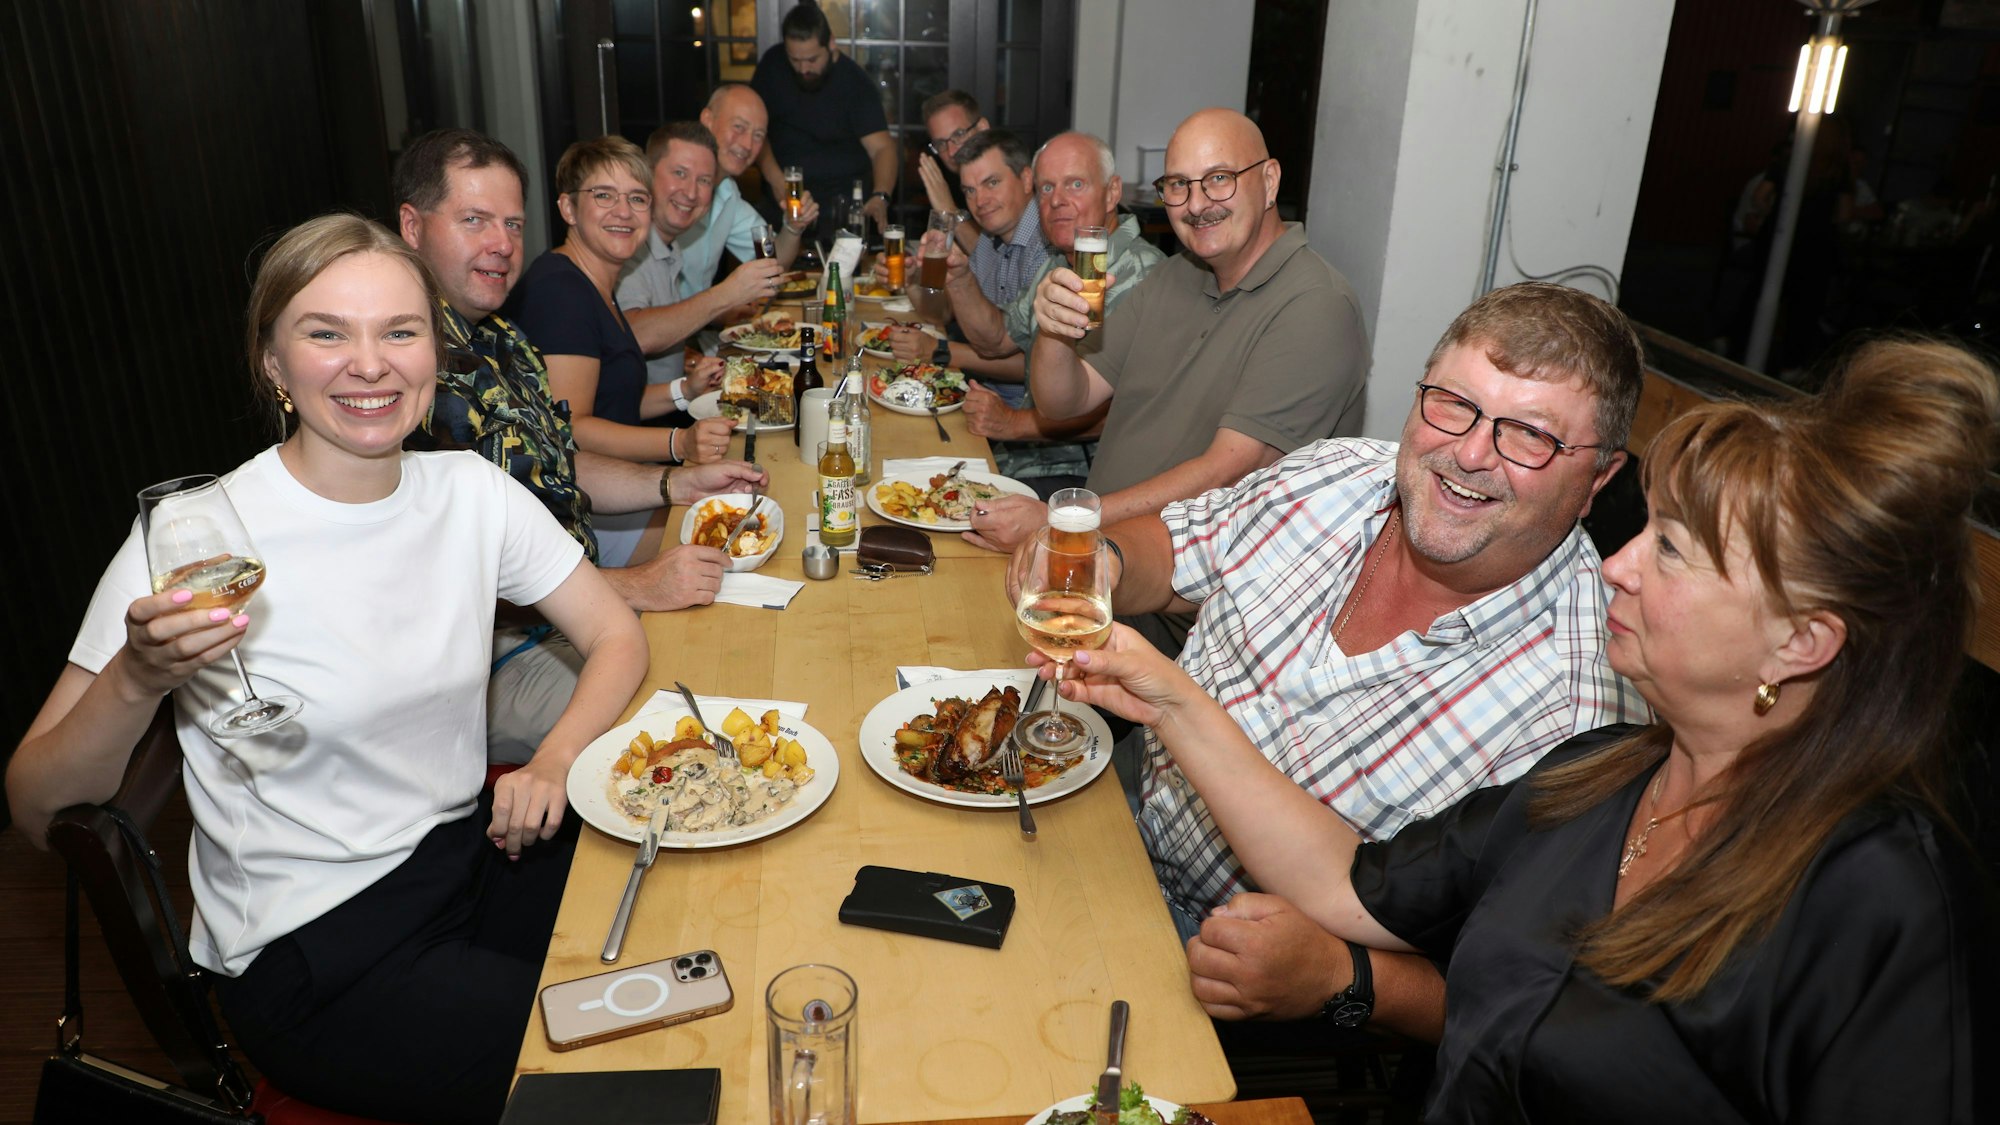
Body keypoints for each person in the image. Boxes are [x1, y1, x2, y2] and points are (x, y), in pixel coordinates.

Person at [1053, 334, 1995, 1120]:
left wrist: (1345, 985)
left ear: (1800, 643)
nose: (1618, 567)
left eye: (1667, 548)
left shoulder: (1881, 898)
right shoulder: (1603, 777)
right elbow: (1348, 883)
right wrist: (1167, 691)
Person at [7, 214, 649, 1124]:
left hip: (465, 861)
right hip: (316, 953)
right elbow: (33, 805)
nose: (371, 364)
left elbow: (617, 633)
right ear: (273, 362)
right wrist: (136, 677)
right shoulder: (196, 535)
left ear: (436, 346)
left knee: (675, 921)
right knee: (613, 1067)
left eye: (399, 330)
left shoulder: (467, 490)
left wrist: (552, 761)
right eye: (325, 333)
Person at [1018, 280, 1650, 1036]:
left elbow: (1522, 1008)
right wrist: (1109, 562)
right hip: (1107, 812)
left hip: (1237, 982)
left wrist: (1342, 978)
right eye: (1452, 403)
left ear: (1598, 479)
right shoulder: (1337, 474)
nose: (1471, 453)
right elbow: (1179, 546)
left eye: (1530, 435)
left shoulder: (1586, 711)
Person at [395, 128, 765, 763]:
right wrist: (636, 586)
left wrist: (677, 482)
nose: (502, 245)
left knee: (736, 646)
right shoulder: (407, 375)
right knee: (708, 727)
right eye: (474, 220)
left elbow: (562, 461)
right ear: (412, 226)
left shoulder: (503, 339)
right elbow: (463, 585)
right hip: (493, 660)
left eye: (512, 223)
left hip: (574, 614)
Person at [1011, 108, 1369, 651]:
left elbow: (1229, 470)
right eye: (1178, 185)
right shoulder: (1174, 276)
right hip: (1102, 572)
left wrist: (1071, 521)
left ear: (1268, 181)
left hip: (1196, 624)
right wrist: (1055, 331)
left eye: (1218, 178)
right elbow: (1066, 400)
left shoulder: (1316, 305)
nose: (1197, 204)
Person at [507, 135, 735, 565]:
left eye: (637, 198)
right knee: (722, 537)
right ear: (568, 208)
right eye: (604, 196)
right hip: (581, 514)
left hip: (614, 487)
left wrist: (683, 390)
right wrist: (679, 442)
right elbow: (573, 427)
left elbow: (613, 400)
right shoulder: (560, 291)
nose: (624, 212)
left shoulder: (598, 287)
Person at [908, 132, 1162, 500]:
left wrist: (1012, 423)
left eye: (1075, 184)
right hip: (1022, 459)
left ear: (1112, 193)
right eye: (1046, 189)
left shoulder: (1143, 274)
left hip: (1082, 481)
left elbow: (1129, 412)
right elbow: (996, 340)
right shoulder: (1061, 263)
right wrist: (959, 278)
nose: (1057, 200)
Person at [614, 121, 801, 389]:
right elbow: (635, 334)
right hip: (642, 424)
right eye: (679, 173)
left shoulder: (670, 245)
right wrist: (727, 294)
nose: (691, 192)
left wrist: (717, 317)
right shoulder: (626, 244)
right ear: (647, 174)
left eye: (704, 181)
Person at [888, 128, 1047, 407]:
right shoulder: (988, 239)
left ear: (1026, 179)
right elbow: (947, 313)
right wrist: (914, 282)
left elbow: (1035, 363)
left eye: (992, 183)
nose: (980, 201)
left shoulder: (1048, 246)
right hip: (978, 391)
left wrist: (939, 351)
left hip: (1029, 417)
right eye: (970, 191)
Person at [753, 3, 896, 240]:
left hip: (839, 208)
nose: (803, 69)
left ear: (830, 43)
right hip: (782, 203)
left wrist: (881, 196)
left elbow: (882, 147)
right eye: (795, 60)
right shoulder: (772, 65)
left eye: (811, 59)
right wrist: (776, 179)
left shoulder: (855, 84)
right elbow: (756, 131)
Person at [915, 88, 990, 254]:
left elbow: (994, 266)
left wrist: (949, 212)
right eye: (941, 143)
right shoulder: (950, 184)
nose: (951, 152)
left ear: (982, 127)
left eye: (959, 135)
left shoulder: (1005, 179)